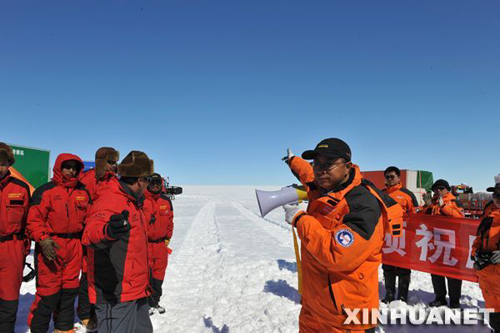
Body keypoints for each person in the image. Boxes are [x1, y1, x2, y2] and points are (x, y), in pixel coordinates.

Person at [282, 138, 403, 333]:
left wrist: (300, 219)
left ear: (347, 167)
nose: (321, 170)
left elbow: (336, 255)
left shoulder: (363, 204)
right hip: (314, 311)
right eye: (317, 164)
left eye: (329, 164)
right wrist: (293, 160)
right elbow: (307, 174)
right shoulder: (325, 187)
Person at [82, 151, 154, 333]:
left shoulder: (133, 201)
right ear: (140, 180)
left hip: (136, 290)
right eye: (149, 180)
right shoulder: (111, 199)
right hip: (115, 294)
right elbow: (90, 235)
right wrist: (109, 231)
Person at [27, 154, 91, 333]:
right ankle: (38, 328)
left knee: (70, 291)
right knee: (48, 293)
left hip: (75, 246)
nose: (71, 171)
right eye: (67, 167)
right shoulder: (45, 191)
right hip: (51, 246)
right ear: (58, 167)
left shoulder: (83, 192)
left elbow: (91, 218)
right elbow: (33, 220)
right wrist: (43, 238)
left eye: (74, 168)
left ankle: (63, 328)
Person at [78, 147, 119, 331]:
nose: (114, 165)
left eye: (115, 162)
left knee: (103, 273)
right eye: (111, 162)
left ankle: (100, 311)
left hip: (108, 234)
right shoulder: (88, 180)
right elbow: (82, 207)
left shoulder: (113, 181)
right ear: (102, 161)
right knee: (88, 273)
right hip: (92, 233)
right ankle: (86, 314)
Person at [0, 143, 31, 333]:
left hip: (12, 248)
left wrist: (23, 250)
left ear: (9, 164)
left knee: (9, 299)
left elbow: (28, 222)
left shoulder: (21, 188)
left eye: (3, 163)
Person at [381, 166, 419, 303]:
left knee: (404, 266)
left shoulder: (407, 195)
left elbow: (415, 216)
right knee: (388, 266)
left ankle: (403, 295)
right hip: (387, 236)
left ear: (398, 178)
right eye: (387, 177)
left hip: (404, 237)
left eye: (392, 177)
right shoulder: (381, 194)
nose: (389, 179)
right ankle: (389, 293)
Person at [425, 179, 464, 308]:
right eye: (435, 188)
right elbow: (424, 219)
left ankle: (454, 300)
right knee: (436, 272)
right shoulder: (433, 202)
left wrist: (444, 207)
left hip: (451, 244)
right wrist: (427, 206)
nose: (438, 191)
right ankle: (440, 297)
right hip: (435, 242)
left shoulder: (454, 202)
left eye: (441, 188)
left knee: (453, 274)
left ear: (447, 189)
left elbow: (460, 218)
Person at [143, 173, 174, 315]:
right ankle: (145, 303)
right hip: (145, 244)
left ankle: (155, 301)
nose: (155, 185)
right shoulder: (140, 199)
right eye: (152, 182)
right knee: (145, 274)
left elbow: (170, 221)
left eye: (157, 183)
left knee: (159, 274)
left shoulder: (166, 200)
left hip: (161, 245)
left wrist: (167, 238)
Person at [472, 174, 500, 333]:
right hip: (488, 279)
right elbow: (477, 241)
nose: (497, 198)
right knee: (495, 317)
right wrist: (477, 254)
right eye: (495, 194)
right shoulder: (488, 218)